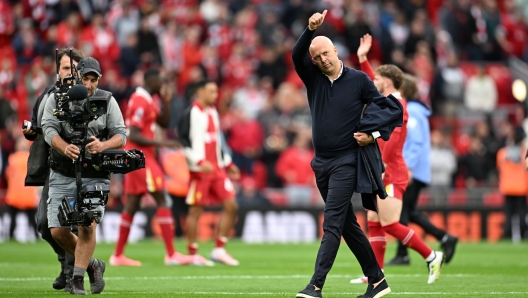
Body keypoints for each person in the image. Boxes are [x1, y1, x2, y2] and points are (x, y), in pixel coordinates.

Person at [292, 10, 404, 298]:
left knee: (331, 221)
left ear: (336, 50)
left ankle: (315, 286)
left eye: (326, 54)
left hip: (346, 160)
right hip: (321, 163)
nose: (322, 60)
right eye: (316, 57)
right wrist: (309, 30)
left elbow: (391, 110)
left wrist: (374, 135)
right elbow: (296, 55)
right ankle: (377, 281)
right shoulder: (313, 77)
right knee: (346, 225)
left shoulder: (359, 80)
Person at [349, 34, 444, 285]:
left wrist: (380, 168)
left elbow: (392, 141)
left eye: (378, 78)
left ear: (388, 82)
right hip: (383, 170)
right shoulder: (390, 100)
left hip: (390, 171)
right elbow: (372, 81)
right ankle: (376, 275)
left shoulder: (398, 105)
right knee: (374, 221)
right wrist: (363, 59)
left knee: (390, 224)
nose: (374, 81)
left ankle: (432, 255)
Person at [41, 57, 126, 294]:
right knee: (57, 229)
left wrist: (104, 145)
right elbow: (48, 128)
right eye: (85, 78)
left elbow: (121, 133)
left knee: (87, 225)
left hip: (95, 173)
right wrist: (63, 146)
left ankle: (77, 280)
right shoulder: (56, 98)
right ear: (77, 76)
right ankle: (93, 265)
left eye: (93, 79)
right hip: (62, 170)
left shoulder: (107, 100)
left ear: (99, 79)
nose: (88, 84)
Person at [110, 69, 192, 266]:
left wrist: (168, 101)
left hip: (141, 157)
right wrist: (163, 144)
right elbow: (134, 134)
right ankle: (171, 254)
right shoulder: (139, 101)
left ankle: (118, 255)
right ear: (152, 81)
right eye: (161, 81)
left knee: (133, 203)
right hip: (140, 157)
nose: (163, 84)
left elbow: (163, 121)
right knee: (162, 198)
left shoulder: (149, 101)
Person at [22, 47, 83, 291]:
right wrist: (31, 132)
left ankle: (71, 274)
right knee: (44, 224)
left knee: (72, 223)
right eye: (66, 68)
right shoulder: (47, 95)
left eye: (75, 68)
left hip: (79, 171)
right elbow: (42, 130)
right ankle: (66, 264)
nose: (70, 72)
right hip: (53, 168)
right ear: (57, 71)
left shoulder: (87, 95)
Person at [386, 73, 458, 266]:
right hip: (416, 169)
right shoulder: (417, 110)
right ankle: (443, 238)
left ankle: (404, 253)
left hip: (411, 170)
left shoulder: (413, 111)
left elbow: (416, 142)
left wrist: (408, 168)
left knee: (403, 212)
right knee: (408, 212)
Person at [178, 79, 241, 266]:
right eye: (211, 91)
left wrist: (228, 163)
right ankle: (192, 253)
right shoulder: (190, 113)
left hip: (217, 169)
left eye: (216, 91)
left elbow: (217, 142)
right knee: (196, 211)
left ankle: (219, 249)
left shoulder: (213, 112)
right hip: (200, 171)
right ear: (200, 92)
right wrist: (198, 161)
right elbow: (182, 142)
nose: (215, 95)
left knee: (231, 206)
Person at [498, 126, 528, 242]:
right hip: (521, 188)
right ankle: (523, 235)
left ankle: (507, 236)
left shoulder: (502, 153)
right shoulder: (524, 153)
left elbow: (499, 167)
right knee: (521, 215)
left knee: (509, 215)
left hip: (507, 187)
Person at [5, 138, 39, 240]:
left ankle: (11, 237)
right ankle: (37, 237)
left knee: (13, 219)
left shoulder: (12, 159)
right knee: (32, 220)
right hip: (28, 195)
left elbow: (7, 175)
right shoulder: (31, 158)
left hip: (15, 195)